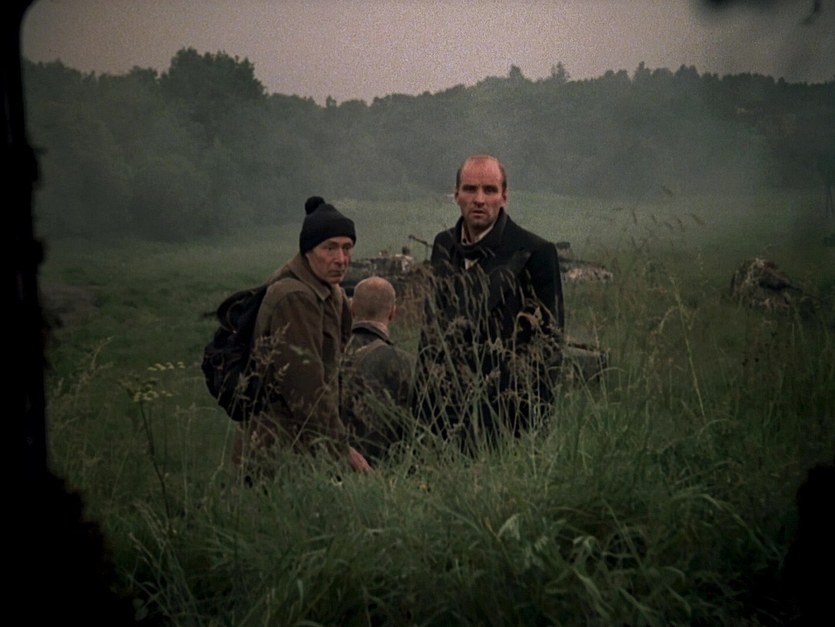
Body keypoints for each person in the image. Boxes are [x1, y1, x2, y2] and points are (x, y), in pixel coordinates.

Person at [413, 154, 565, 448]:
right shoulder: (444, 245)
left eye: (490, 190)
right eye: (470, 189)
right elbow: (431, 333)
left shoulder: (534, 253)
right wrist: (421, 408)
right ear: (456, 195)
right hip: (446, 415)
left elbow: (550, 346)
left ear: (504, 196)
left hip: (506, 418)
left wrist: (532, 428)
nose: (479, 199)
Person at [233, 196, 372, 474]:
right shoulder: (293, 297)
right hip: (278, 449)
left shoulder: (330, 291)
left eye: (347, 248)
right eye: (329, 248)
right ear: (308, 250)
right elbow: (306, 390)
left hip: (307, 444)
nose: (341, 259)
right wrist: (342, 450)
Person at [341, 276, 415, 464]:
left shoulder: (331, 353)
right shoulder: (403, 362)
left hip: (333, 461)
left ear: (352, 309)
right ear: (392, 313)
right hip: (383, 468)